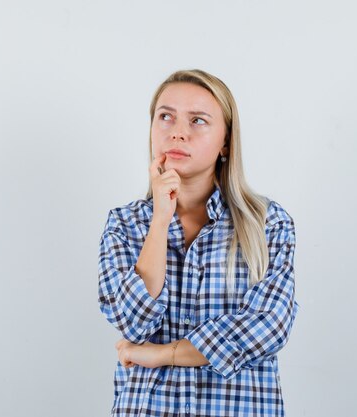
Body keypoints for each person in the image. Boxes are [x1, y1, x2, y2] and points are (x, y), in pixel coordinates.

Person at [97, 69, 300, 417]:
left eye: (198, 120)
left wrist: (163, 354)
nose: (177, 132)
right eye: (166, 117)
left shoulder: (268, 224)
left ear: (225, 142)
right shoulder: (125, 225)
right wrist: (160, 218)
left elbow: (267, 327)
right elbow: (134, 322)